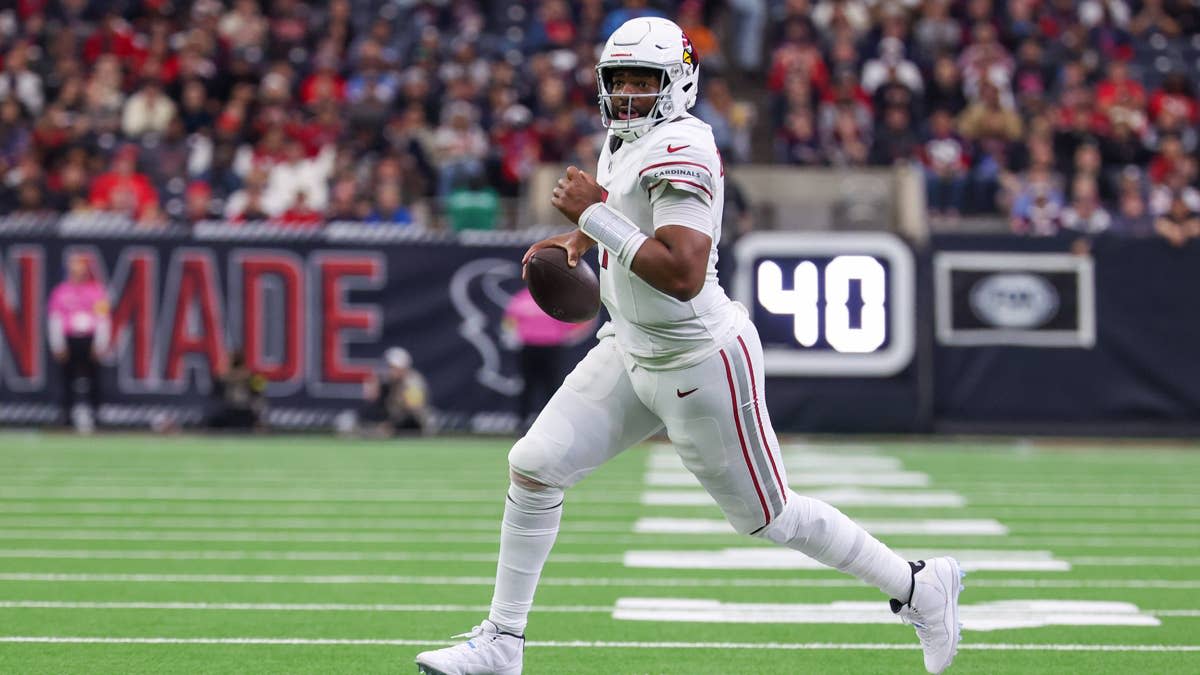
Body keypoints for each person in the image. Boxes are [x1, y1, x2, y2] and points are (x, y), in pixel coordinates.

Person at [415, 17, 964, 675]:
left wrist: (591, 215)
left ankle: (917, 585)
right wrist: (579, 238)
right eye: (619, 81)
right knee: (534, 466)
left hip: (698, 359)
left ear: (679, 83)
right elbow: (626, 212)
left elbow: (682, 272)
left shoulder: (684, 147)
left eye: (644, 81)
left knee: (771, 517)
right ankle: (503, 641)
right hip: (629, 345)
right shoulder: (626, 138)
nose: (628, 95)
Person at [502, 287, 595, 431]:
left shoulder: (558, 298)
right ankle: (522, 423)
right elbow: (509, 320)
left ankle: (554, 424)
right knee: (527, 386)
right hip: (529, 346)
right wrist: (513, 335)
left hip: (552, 347)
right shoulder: (522, 297)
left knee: (552, 386)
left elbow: (583, 320)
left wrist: (570, 337)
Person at [47, 253, 109, 431]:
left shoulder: (96, 291)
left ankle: (96, 415)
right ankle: (66, 415)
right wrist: (58, 344)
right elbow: (55, 319)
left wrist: (100, 343)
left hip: (89, 339)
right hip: (70, 339)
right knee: (66, 379)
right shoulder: (61, 292)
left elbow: (102, 319)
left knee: (94, 380)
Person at [358, 347, 431, 436]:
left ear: (403, 368)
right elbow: (372, 399)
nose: (390, 371)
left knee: (409, 420)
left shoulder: (413, 382)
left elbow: (413, 409)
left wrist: (391, 425)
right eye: (389, 367)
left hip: (412, 424)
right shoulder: (387, 381)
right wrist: (375, 387)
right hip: (393, 420)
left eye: (393, 367)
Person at [207, 350, 267, 431]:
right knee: (213, 423)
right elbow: (215, 398)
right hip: (229, 412)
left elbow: (260, 397)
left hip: (247, 413)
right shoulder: (221, 378)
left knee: (258, 424)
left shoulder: (255, 377)